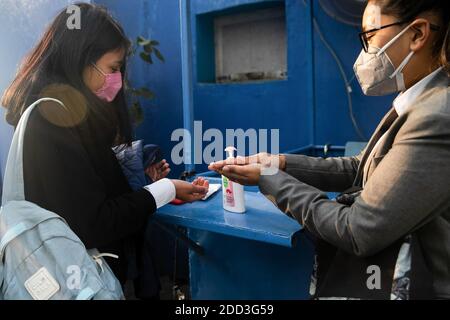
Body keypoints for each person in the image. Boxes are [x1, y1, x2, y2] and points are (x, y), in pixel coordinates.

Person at [210, 0, 450, 299]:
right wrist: (280, 163)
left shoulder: (436, 116)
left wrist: (268, 177)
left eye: (369, 36)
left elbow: (357, 230)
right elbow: (359, 168)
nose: (363, 52)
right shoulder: (416, 101)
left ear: (417, 34)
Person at [1, 3, 208, 299]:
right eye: (113, 68)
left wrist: (140, 181)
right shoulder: (52, 120)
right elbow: (94, 223)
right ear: (82, 58)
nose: (118, 80)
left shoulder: (60, 116)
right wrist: (165, 189)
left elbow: (84, 193)